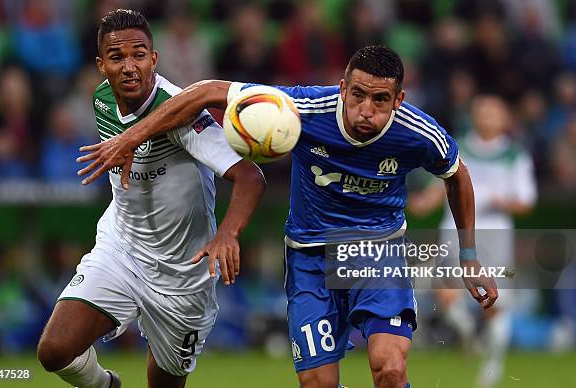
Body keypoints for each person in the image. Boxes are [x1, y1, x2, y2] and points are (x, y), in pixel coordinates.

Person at [77, 44, 498, 388]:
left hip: (377, 251)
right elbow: (206, 91)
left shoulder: (418, 132)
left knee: (389, 369)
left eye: (380, 99)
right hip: (310, 256)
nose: (365, 110)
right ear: (342, 88)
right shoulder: (302, 108)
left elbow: (457, 177)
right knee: (317, 383)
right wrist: (131, 137)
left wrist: (470, 255)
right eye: (357, 95)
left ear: (398, 99)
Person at [36, 9, 266, 388]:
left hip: (184, 274)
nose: (129, 67)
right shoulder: (103, 100)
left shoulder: (183, 113)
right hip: (122, 250)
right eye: (117, 57)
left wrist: (227, 233)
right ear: (101, 65)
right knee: (54, 351)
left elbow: (250, 176)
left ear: (154, 59)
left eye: (139, 55)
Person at [409, 95, 536, 387]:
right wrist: (422, 202)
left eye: (494, 111)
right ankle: (468, 335)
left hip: (495, 233)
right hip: (454, 230)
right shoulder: (458, 147)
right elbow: (439, 188)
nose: (487, 116)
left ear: (505, 118)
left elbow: (526, 202)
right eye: (482, 110)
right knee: (445, 294)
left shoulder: (515, 154)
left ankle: (493, 365)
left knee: (493, 303)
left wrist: (494, 199)